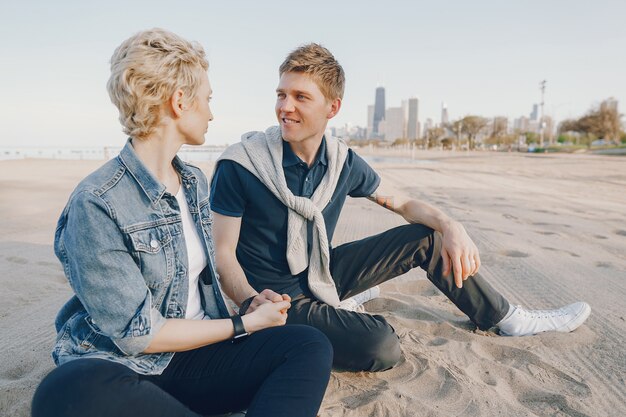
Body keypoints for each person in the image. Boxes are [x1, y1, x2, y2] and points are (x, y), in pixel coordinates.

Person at [209, 43, 591, 372]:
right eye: (281, 94)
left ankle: (504, 317)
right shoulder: (242, 165)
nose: (284, 107)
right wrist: (249, 300)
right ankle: (341, 307)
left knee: (428, 237)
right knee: (381, 346)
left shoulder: (341, 162)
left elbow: (404, 202)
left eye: (300, 97)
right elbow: (223, 255)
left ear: (333, 107)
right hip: (275, 301)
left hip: (321, 275)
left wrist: (451, 224)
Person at [31, 30, 333, 417]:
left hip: (197, 358)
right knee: (64, 390)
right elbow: (138, 335)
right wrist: (244, 325)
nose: (211, 112)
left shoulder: (194, 182)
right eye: (207, 99)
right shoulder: (96, 202)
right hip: (129, 369)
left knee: (309, 345)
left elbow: (215, 268)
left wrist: (250, 302)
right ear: (179, 102)